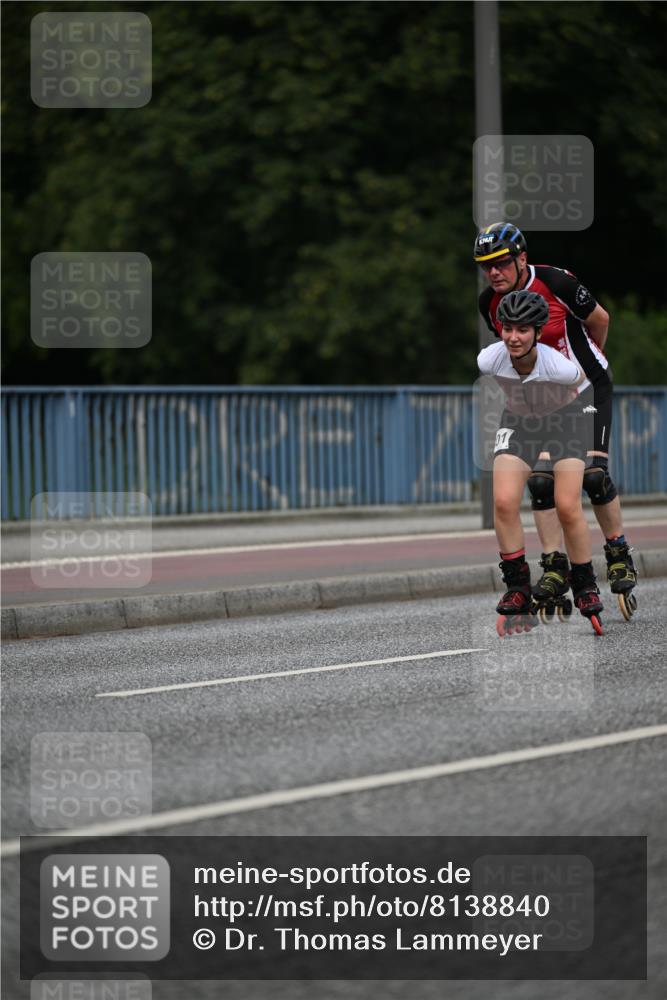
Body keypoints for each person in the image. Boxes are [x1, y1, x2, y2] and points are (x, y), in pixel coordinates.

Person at [473, 222, 637, 619]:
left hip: (585, 385)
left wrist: (584, 358)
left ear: (521, 258)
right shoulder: (489, 303)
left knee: (593, 476)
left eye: (501, 263)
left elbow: (600, 319)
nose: (494, 273)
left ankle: (618, 551)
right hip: (537, 399)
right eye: (486, 266)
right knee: (541, 481)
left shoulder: (555, 281)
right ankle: (553, 566)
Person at [477, 289, 604, 636]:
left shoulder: (559, 366)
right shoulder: (489, 359)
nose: (513, 338)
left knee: (566, 505)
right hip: (519, 423)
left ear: (537, 333)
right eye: (507, 329)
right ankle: (518, 588)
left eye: (522, 330)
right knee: (503, 501)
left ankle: (584, 584)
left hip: (565, 421)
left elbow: (585, 390)